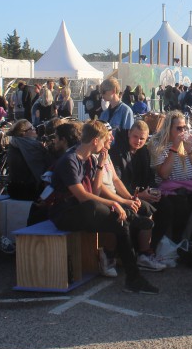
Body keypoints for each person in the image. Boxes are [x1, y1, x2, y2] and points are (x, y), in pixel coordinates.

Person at [48, 119, 159, 294]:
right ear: (95, 141)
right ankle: (132, 218)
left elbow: (95, 190)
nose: (108, 143)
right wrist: (116, 203)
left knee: (121, 222)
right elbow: (83, 197)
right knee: (96, 206)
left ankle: (134, 278)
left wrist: (100, 165)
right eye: (104, 139)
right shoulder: (69, 160)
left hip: (84, 210)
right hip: (64, 213)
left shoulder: (90, 160)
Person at [92, 128, 165, 274]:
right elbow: (99, 189)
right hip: (104, 199)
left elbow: (115, 180)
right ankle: (109, 256)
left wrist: (130, 198)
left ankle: (144, 254)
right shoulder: (93, 157)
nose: (112, 138)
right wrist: (123, 201)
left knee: (145, 208)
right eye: (108, 136)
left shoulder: (106, 155)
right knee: (115, 215)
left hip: (116, 196)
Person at [151, 111, 192, 252]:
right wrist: (174, 148)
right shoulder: (159, 144)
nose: (183, 131)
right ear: (169, 129)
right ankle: (176, 243)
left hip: (190, 186)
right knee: (181, 206)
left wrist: (190, 151)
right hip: (169, 188)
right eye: (178, 128)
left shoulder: (189, 143)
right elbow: (164, 174)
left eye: (184, 128)